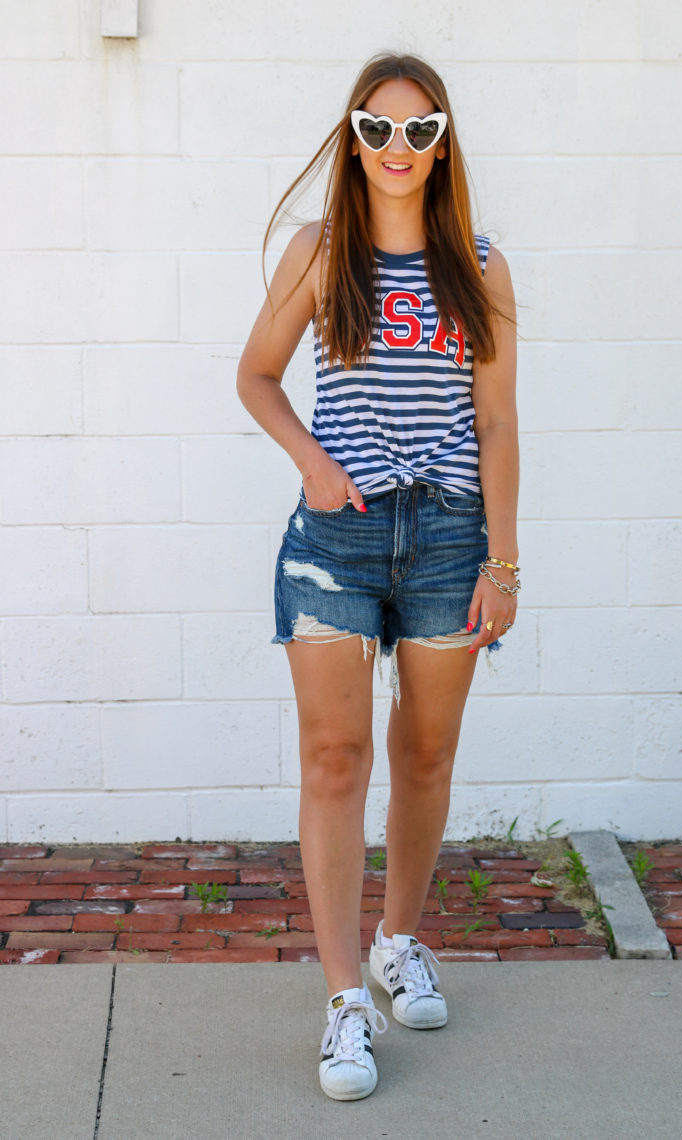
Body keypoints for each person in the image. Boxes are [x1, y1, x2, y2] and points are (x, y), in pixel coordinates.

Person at [236, 52, 519, 1102]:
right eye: (376, 128)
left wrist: (504, 557)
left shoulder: (480, 265)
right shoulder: (320, 252)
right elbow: (255, 375)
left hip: (450, 539)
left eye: (419, 130)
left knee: (427, 753)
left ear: (443, 144)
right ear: (352, 138)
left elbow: (495, 421)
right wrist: (311, 459)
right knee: (332, 760)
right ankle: (346, 1000)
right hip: (337, 540)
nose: (396, 149)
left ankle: (401, 941)